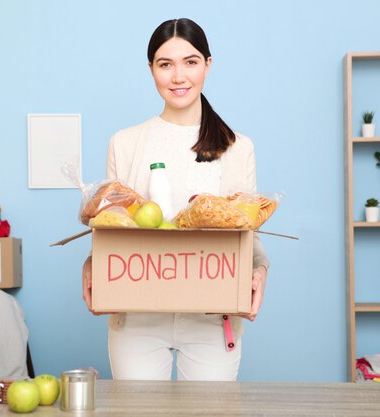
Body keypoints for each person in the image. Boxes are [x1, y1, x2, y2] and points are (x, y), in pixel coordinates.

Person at [82, 18, 269, 381]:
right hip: (135, 316)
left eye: (191, 62)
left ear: (208, 65)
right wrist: (92, 263)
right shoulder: (125, 143)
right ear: (151, 69)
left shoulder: (237, 147)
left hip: (212, 320)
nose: (178, 76)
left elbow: (249, 234)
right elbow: (112, 227)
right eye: (165, 64)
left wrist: (260, 272)